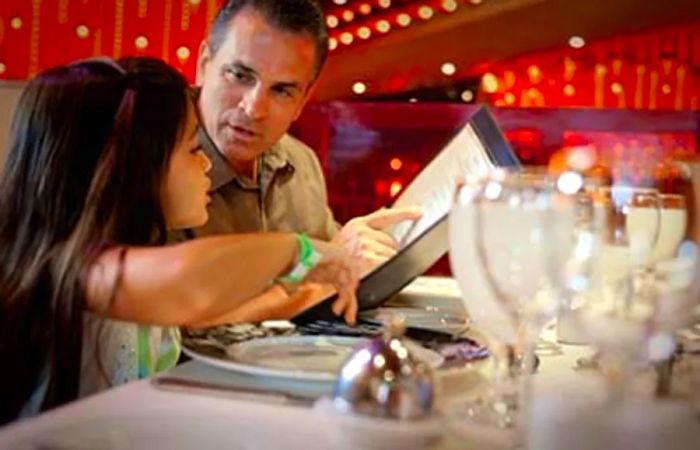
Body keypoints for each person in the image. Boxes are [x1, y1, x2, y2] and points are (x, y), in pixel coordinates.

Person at [0, 57, 358, 424]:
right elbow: (189, 286)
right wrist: (301, 249)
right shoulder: (70, 269)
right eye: (193, 149)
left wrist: (295, 281)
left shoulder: (121, 260)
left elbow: (204, 309)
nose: (205, 165)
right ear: (138, 165)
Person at [184, 0, 422, 271]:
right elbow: (185, 303)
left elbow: (318, 266)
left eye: (282, 90)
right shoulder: (151, 158)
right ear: (203, 65)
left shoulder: (301, 163)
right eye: (240, 75)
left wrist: (353, 252)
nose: (254, 109)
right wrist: (323, 261)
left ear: (303, 100)